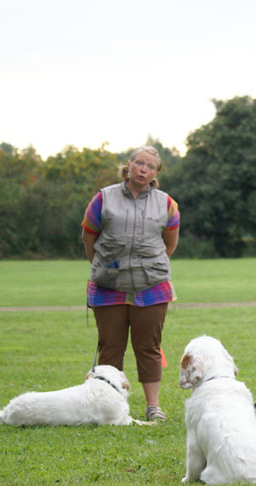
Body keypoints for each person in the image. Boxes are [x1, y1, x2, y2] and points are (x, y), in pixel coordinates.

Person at [81, 146, 180, 422]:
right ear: (129, 165)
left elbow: (169, 244)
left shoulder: (167, 204)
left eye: (149, 166)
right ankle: (107, 405)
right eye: (138, 163)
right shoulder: (104, 198)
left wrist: (147, 267)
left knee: (148, 347)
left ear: (155, 173)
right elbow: (89, 235)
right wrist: (102, 266)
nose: (143, 169)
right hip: (108, 287)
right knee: (110, 347)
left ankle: (153, 407)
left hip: (152, 287)